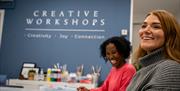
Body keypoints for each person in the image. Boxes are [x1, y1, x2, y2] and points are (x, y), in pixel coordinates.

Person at [127, 10, 180, 91]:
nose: (146, 30)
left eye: (156, 27)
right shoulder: (142, 71)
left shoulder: (170, 69)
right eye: (144, 26)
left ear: (170, 35)